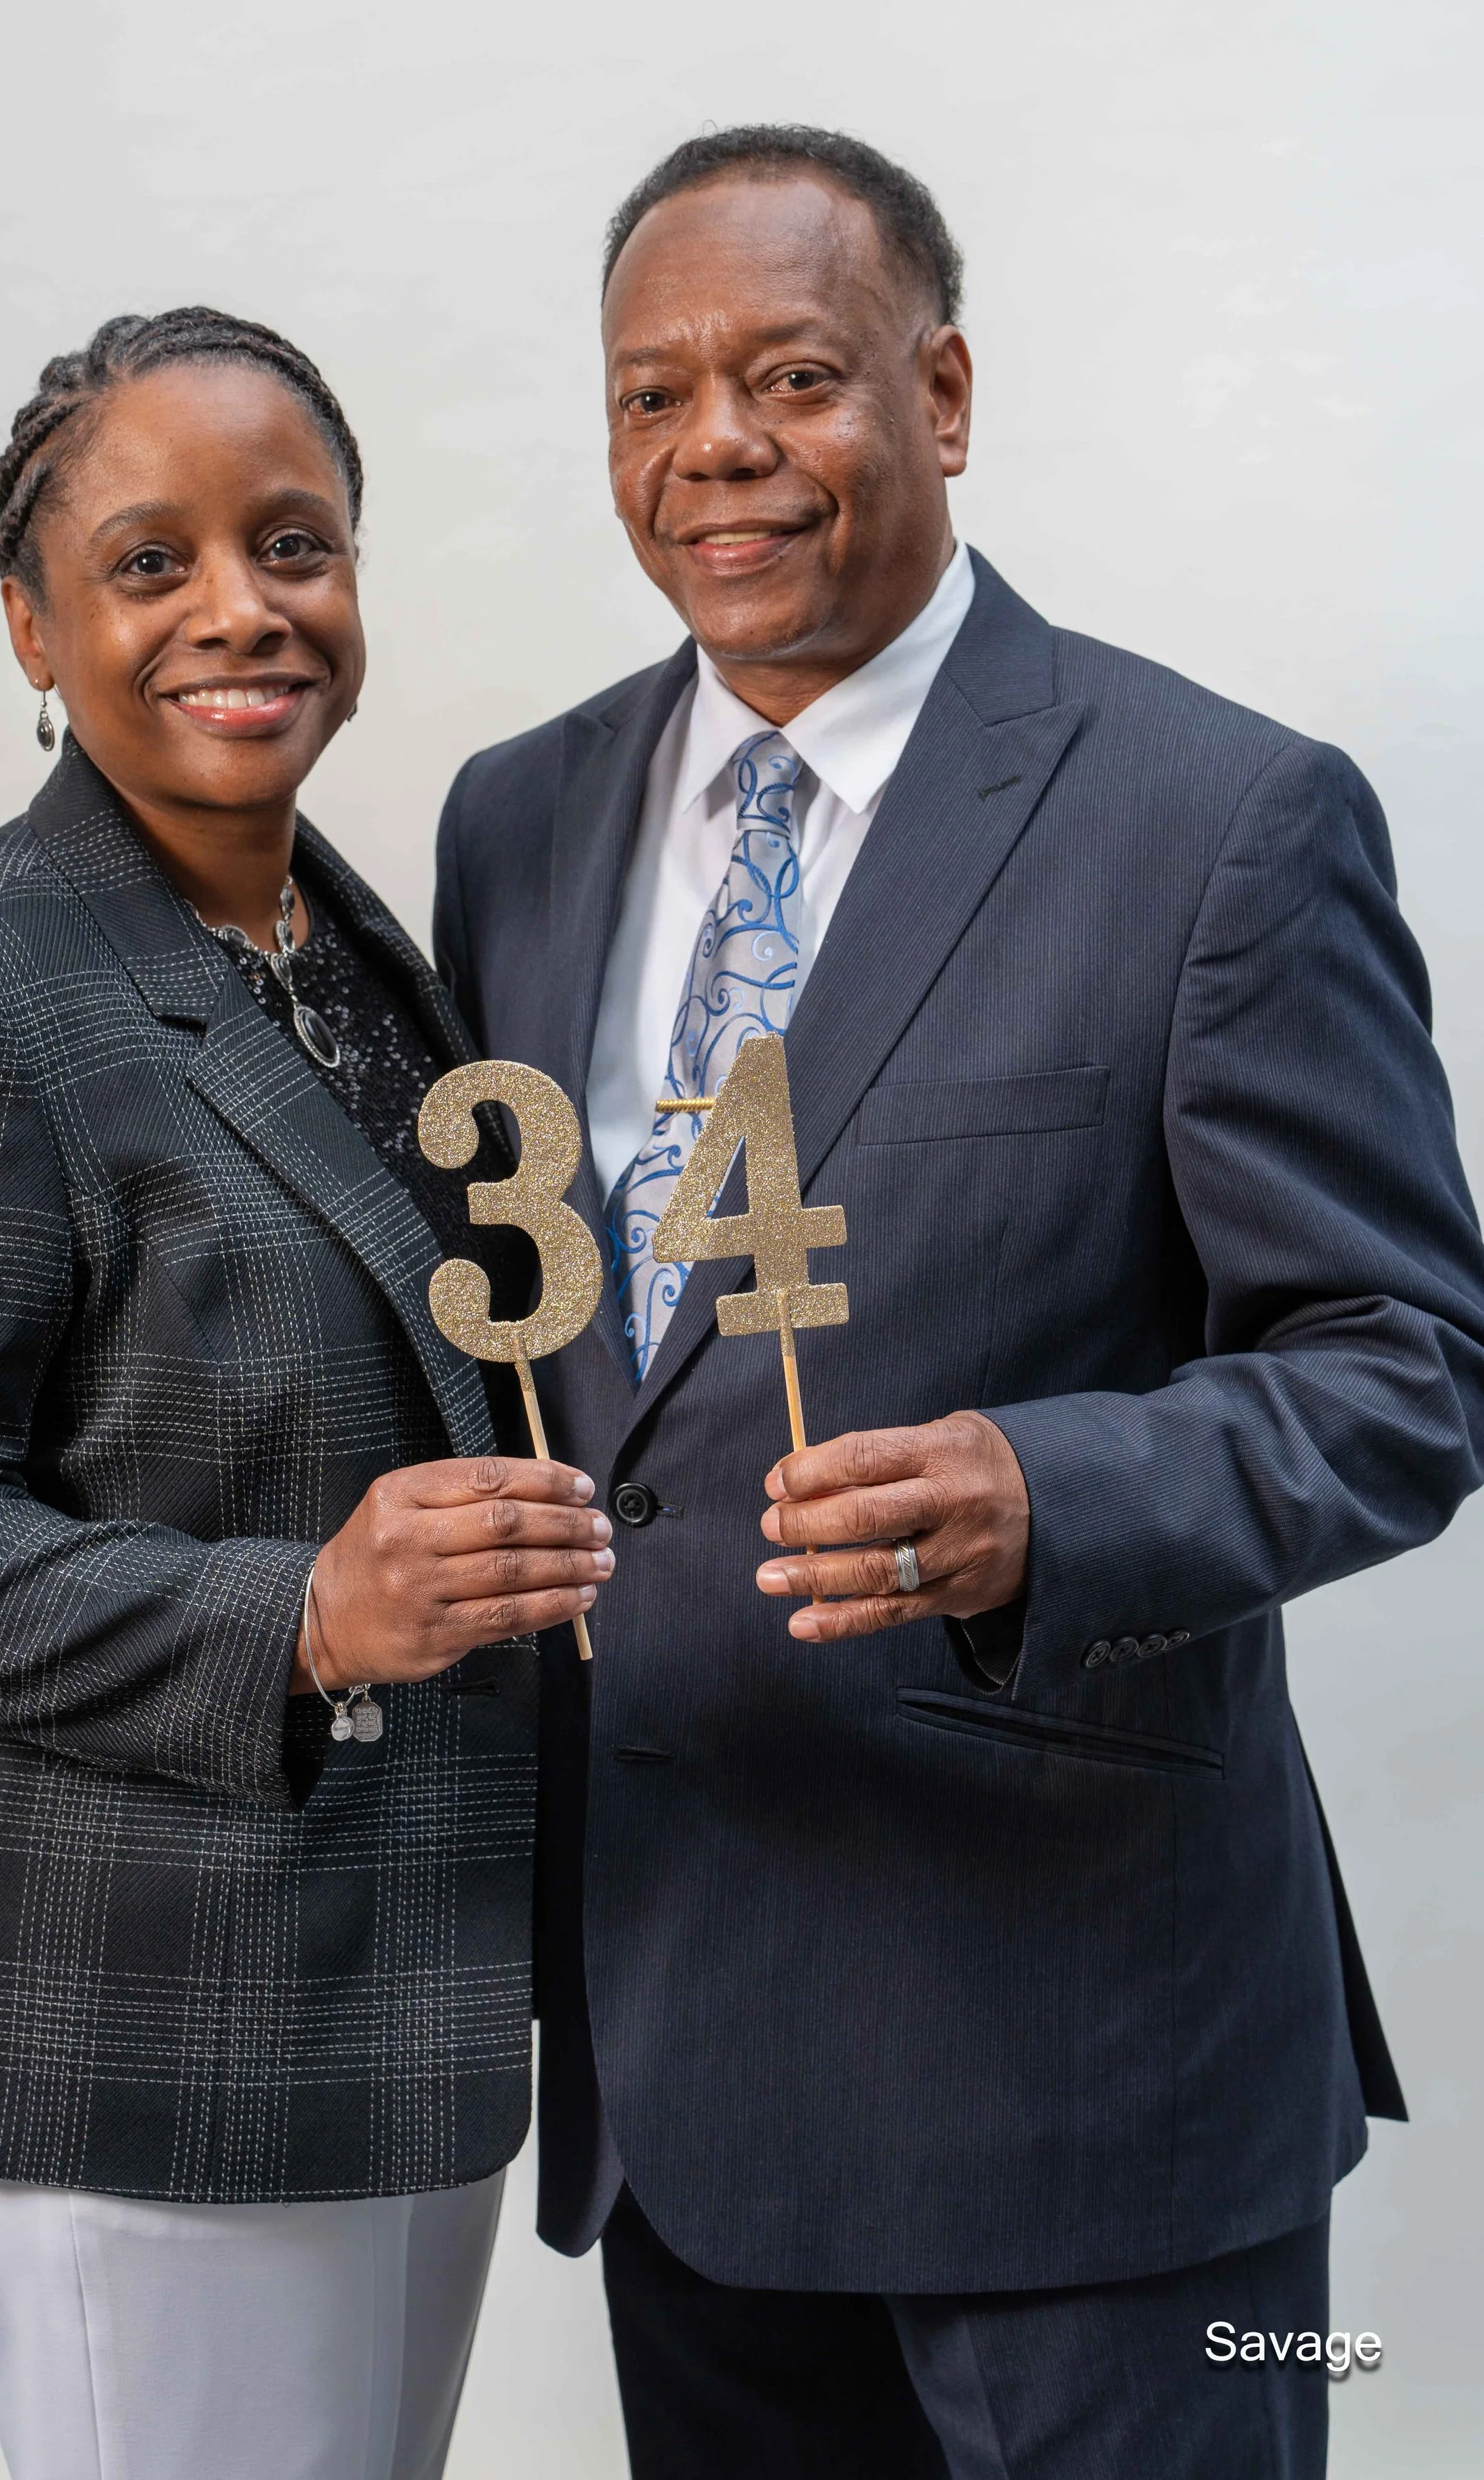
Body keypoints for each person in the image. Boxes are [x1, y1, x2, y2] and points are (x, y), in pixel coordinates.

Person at [433, 127, 1484, 2478]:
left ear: (944, 389)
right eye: (646, 395)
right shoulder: (513, 819)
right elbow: (586, 1349)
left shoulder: (1217, 815)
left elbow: (1403, 1371)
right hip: (678, 2053)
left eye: (791, 376)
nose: (712, 445)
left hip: (1085, 2065)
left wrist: (1055, 1483)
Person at [0, 307, 615, 2480]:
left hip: (392, 1995)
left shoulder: (351, 946)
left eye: (295, 543)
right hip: (136, 2031)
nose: (244, 607)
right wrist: (298, 1619)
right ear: (33, 623)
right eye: (152, 561)